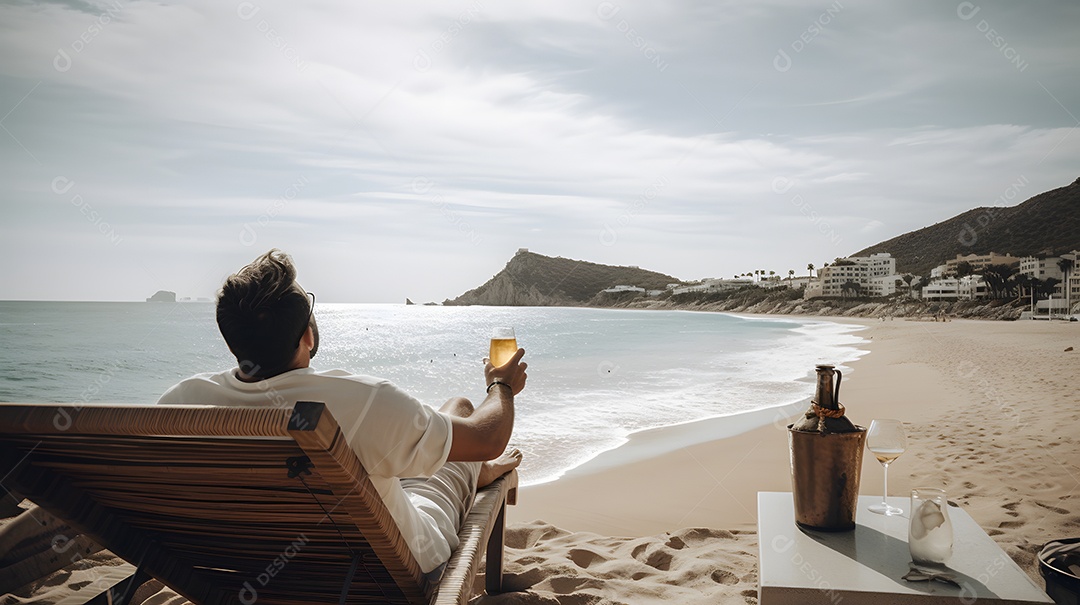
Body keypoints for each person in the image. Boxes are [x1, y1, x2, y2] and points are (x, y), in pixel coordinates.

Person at [157, 249, 526, 574]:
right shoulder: (362, 401)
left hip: (239, 567)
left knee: (440, 422)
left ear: (230, 338)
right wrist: (500, 385)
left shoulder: (180, 402)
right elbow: (487, 438)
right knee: (462, 411)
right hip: (387, 568)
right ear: (308, 336)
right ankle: (475, 473)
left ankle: (454, 468)